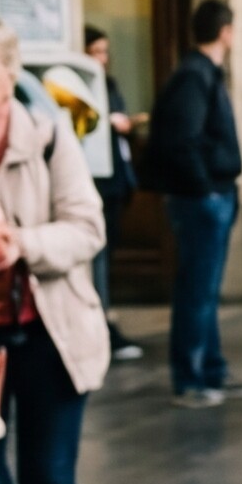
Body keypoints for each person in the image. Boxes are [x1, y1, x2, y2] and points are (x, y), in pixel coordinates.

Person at [0, 22, 110, 484]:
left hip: (51, 333)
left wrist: (21, 244)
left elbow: (88, 229)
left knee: (49, 482)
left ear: (9, 72)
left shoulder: (49, 136)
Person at [143, 0, 242, 407]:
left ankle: (212, 370)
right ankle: (190, 377)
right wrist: (204, 188)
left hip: (213, 193)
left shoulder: (205, 73)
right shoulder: (193, 75)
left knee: (206, 289)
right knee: (197, 289)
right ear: (226, 31)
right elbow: (181, 140)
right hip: (200, 199)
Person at [82, 27, 143, 362]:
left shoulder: (110, 85)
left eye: (104, 52)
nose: (101, 59)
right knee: (96, 259)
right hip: (94, 181)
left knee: (107, 254)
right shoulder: (78, 88)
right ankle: (99, 325)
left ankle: (105, 321)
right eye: (94, 51)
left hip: (116, 180)